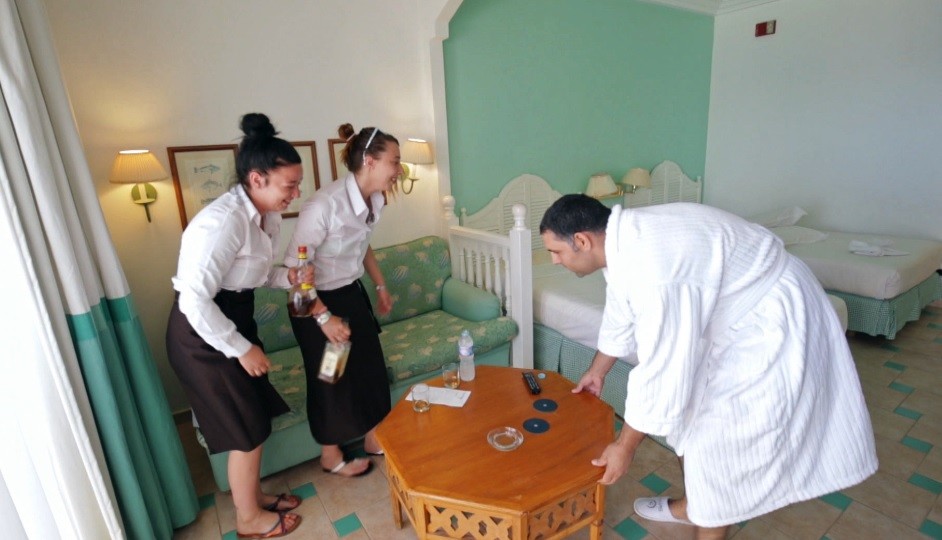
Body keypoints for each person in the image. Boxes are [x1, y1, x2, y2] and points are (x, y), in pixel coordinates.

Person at [539, 194, 878, 540]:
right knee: (689, 418)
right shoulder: (625, 242)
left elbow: (662, 369)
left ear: (582, 240)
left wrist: (624, 447)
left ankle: (709, 515)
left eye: (556, 251)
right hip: (738, 313)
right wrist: (597, 371)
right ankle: (694, 506)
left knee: (716, 443)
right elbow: (620, 311)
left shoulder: (652, 267)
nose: (553, 260)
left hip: (771, 319)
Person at [166, 113, 306, 539]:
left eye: (297, 185)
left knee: (254, 418)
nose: (295, 194)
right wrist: (241, 348)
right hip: (203, 336)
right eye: (289, 186)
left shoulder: (265, 217)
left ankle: (254, 498)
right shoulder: (223, 221)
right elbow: (194, 300)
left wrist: (287, 277)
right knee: (244, 427)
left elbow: (251, 277)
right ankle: (248, 520)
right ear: (257, 178)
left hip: (233, 320)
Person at [284, 123, 399, 477]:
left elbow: (362, 244)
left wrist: (380, 286)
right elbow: (295, 270)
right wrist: (323, 318)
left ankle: (373, 438)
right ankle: (330, 456)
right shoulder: (324, 206)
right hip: (312, 300)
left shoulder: (375, 199)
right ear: (370, 161)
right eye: (395, 161)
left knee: (370, 367)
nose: (399, 170)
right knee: (332, 376)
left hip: (349, 292)